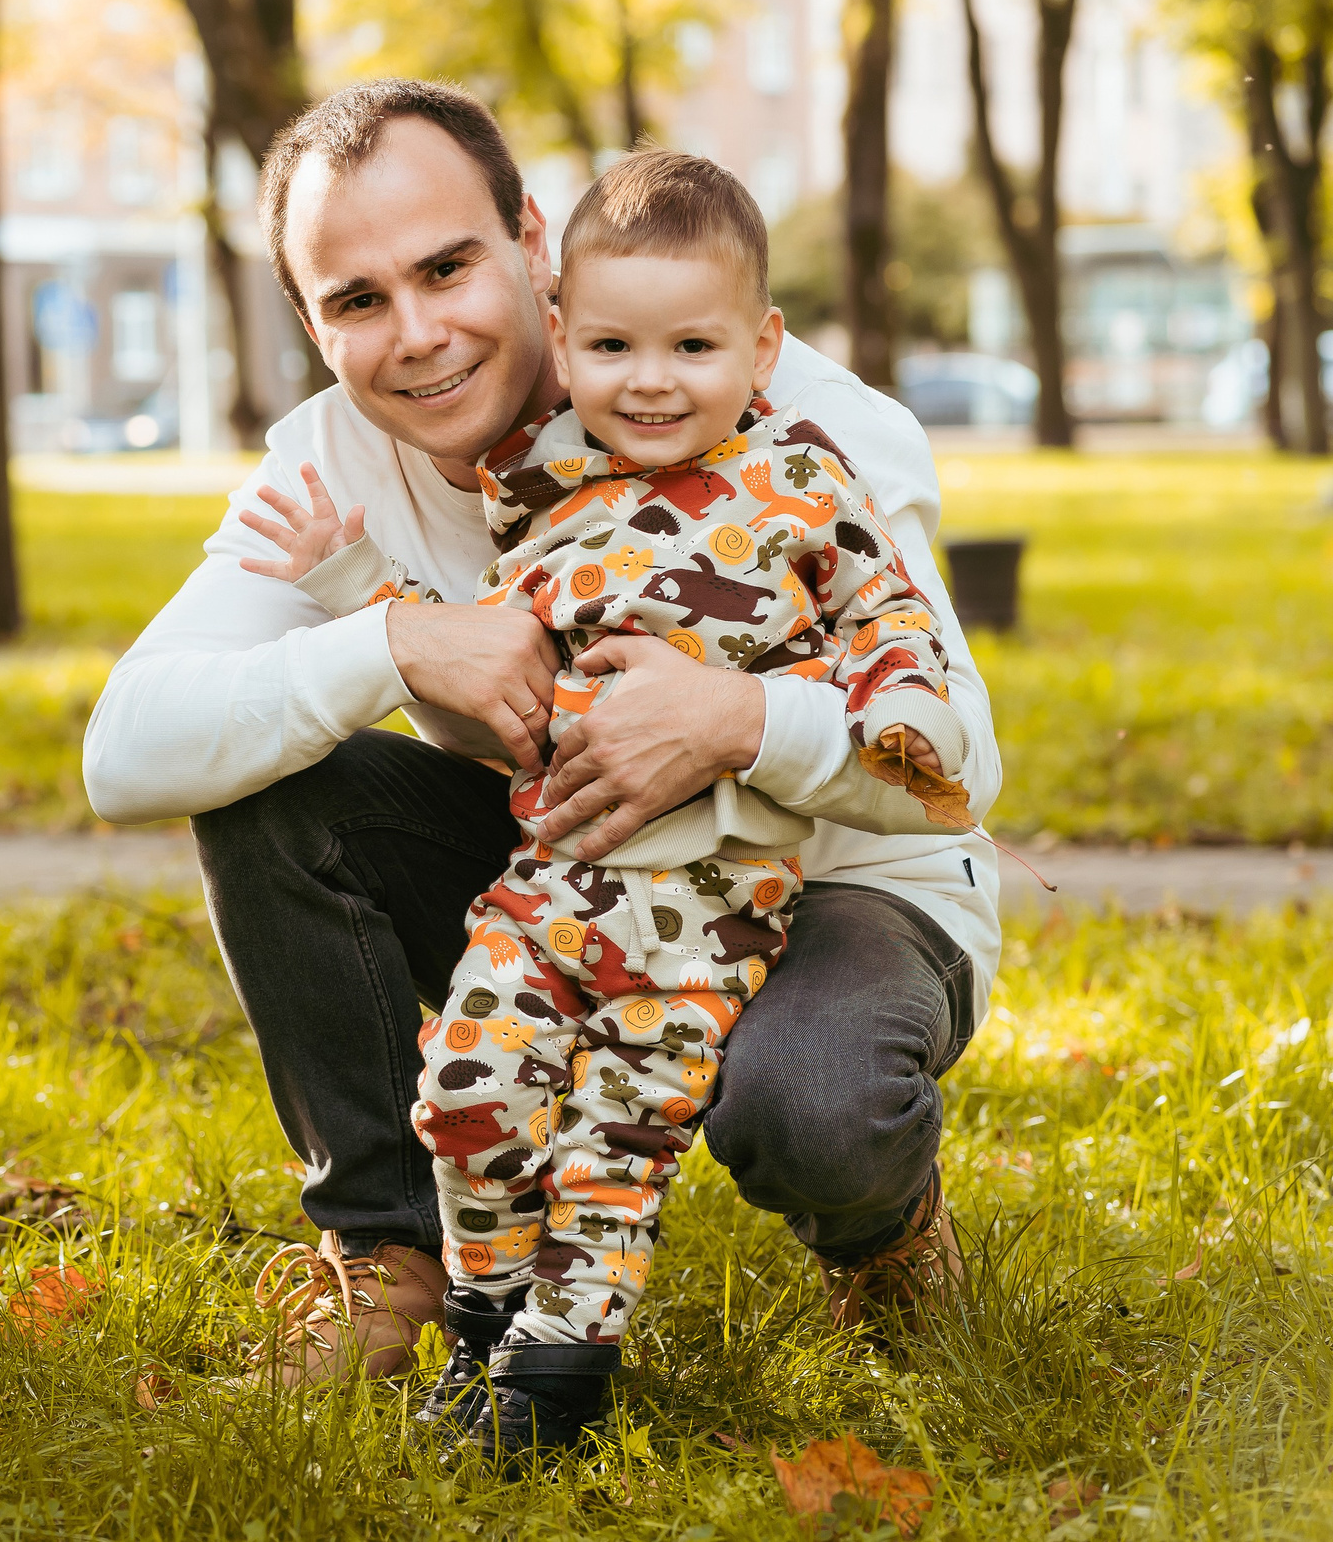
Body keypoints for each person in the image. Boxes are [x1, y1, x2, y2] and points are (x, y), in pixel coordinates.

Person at [83, 80, 999, 1396]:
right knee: (280, 787)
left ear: (530, 243)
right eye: (358, 300)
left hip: (837, 887)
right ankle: (389, 1259)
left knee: (806, 1098)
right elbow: (124, 750)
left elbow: (961, 765)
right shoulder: (332, 464)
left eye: (447, 266)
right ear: (310, 320)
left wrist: (735, 717)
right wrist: (388, 643)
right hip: (566, 886)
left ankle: (885, 1228)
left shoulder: (795, 418)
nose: (419, 334)